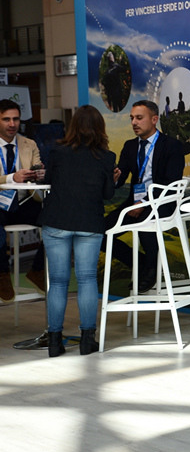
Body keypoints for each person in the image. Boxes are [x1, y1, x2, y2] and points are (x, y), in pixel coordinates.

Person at [40, 106, 117, 357]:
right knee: (86, 280)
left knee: (58, 281)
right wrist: (112, 178)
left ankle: (54, 342)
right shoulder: (107, 157)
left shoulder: (57, 152)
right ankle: (86, 341)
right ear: (100, 128)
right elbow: (107, 195)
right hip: (89, 222)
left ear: (73, 126)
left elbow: (49, 181)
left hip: (56, 220)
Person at [104, 100, 187, 291]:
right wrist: (114, 178)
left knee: (144, 221)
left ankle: (150, 270)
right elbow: (120, 179)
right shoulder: (130, 146)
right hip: (134, 203)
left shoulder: (172, 145)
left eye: (139, 118)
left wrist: (145, 202)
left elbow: (171, 183)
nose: (134, 122)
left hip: (162, 202)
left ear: (154, 119)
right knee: (101, 232)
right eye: (132, 118)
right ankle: (144, 264)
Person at [0, 98, 46, 302]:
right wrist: (12, 177)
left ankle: (37, 270)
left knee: (55, 220)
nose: (12, 124)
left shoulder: (29, 144)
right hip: (0, 204)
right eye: (6, 119)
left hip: (23, 202)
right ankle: (2, 275)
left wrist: (39, 174)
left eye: (16, 119)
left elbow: (37, 168)